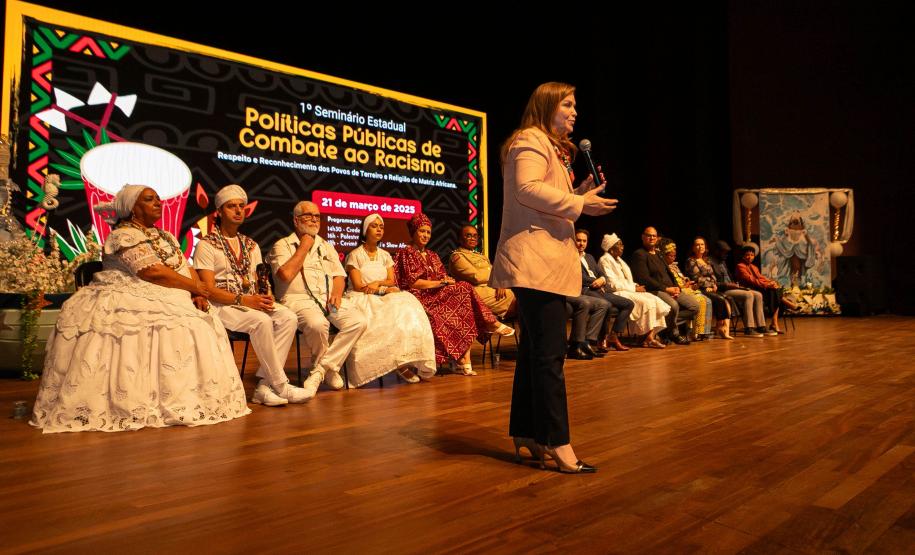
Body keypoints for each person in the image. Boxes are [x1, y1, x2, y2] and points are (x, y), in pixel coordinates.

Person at [31, 185, 250, 433]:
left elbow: (181, 264)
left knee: (197, 321)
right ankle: (135, 401)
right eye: (149, 199)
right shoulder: (123, 235)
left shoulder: (165, 236)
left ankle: (187, 398)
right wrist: (199, 287)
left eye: (158, 198)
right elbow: (151, 271)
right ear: (132, 208)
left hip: (167, 292)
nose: (158, 203)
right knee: (174, 325)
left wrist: (195, 291)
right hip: (127, 293)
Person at [490, 81, 618, 473]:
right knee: (549, 357)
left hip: (542, 264)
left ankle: (527, 433)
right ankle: (559, 444)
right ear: (546, 106)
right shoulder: (530, 139)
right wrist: (580, 202)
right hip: (534, 262)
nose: (575, 112)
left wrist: (579, 190)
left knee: (534, 355)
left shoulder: (554, 151)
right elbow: (527, 190)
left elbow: (542, 197)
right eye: (567, 104)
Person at [193, 184, 309, 406]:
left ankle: (264, 386)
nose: (238, 210)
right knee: (261, 321)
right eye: (231, 206)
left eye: (241, 206)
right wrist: (245, 300)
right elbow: (207, 289)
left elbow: (258, 282)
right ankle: (281, 385)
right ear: (219, 211)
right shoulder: (207, 245)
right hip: (221, 305)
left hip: (249, 302)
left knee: (288, 317)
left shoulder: (251, 245)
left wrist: (266, 296)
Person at [267, 201, 368, 399]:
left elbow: (339, 275)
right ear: (296, 221)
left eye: (317, 216)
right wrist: (304, 246)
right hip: (297, 299)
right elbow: (285, 275)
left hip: (327, 298)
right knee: (317, 324)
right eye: (309, 215)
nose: (315, 219)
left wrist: (337, 292)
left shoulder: (326, 245)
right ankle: (328, 369)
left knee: (358, 321)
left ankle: (321, 370)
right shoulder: (282, 245)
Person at [394, 213, 514, 376]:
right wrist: (440, 283)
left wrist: (445, 281)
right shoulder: (406, 253)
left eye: (428, 232)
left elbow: (444, 277)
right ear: (414, 231)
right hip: (418, 296)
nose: (425, 235)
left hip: (437, 294)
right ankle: (489, 325)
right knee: (465, 288)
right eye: (422, 231)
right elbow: (413, 283)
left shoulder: (432, 255)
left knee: (465, 305)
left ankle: (464, 359)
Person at [344, 213, 436, 386]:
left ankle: (404, 360)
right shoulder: (355, 255)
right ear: (365, 230)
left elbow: (391, 280)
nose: (379, 229)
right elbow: (357, 285)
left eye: (381, 227)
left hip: (381, 293)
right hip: (362, 297)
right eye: (374, 226)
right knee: (381, 316)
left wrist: (379, 284)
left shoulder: (385, 255)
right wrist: (377, 288)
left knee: (407, 306)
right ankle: (396, 364)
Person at [598, 233, 670, 348]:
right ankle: (647, 338)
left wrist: (635, 286)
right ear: (611, 248)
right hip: (615, 293)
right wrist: (634, 288)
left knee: (655, 299)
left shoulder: (620, 261)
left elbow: (627, 280)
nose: (622, 247)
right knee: (647, 302)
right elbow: (612, 284)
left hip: (627, 290)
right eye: (619, 244)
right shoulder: (604, 260)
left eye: (622, 244)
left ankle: (648, 337)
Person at [630, 227, 697, 345]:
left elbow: (669, 272)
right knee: (673, 306)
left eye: (654, 236)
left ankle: (665, 326)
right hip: (654, 290)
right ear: (643, 237)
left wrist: (677, 288)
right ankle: (674, 333)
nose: (651, 238)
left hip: (671, 289)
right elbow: (644, 279)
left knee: (694, 306)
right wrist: (666, 289)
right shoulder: (639, 254)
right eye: (649, 235)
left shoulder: (659, 254)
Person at [575, 229, 633, 351]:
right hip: (586, 289)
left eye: (584, 241)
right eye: (578, 240)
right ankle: (599, 340)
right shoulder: (571, 257)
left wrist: (602, 279)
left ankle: (613, 335)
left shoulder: (589, 257)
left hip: (599, 290)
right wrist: (595, 281)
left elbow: (602, 274)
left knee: (628, 303)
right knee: (607, 305)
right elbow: (577, 276)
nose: (581, 243)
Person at [449, 225, 516, 318]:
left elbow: (495, 272)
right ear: (460, 239)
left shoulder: (481, 256)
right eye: (468, 235)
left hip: (490, 288)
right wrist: (497, 280)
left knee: (519, 294)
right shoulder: (457, 257)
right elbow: (477, 277)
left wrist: (499, 283)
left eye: (475, 236)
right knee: (516, 300)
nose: (473, 238)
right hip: (474, 293)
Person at [708, 240, 766, 337]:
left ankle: (761, 326)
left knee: (758, 295)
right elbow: (712, 283)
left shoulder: (723, 262)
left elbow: (729, 277)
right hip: (722, 290)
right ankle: (749, 328)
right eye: (724, 252)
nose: (726, 254)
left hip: (731, 288)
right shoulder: (710, 263)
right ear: (717, 251)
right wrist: (728, 285)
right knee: (748, 295)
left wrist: (735, 284)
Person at [735, 245, 794, 334]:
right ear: (743, 256)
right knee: (775, 293)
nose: (750, 257)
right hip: (749, 289)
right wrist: (767, 285)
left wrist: (771, 282)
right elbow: (751, 280)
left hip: (758, 288)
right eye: (747, 255)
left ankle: (774, 322)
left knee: (775, 290)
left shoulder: (754, 267)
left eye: (752, 255)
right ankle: (779, 315)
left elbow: (761, 278)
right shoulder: (740, 266)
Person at [662, 241, 713, 340]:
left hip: (685, 288)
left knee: (707, 300)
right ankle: (694, 332)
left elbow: (681, 279)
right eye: (671, 256)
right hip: (678, 290)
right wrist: (684, 286)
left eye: (674, 256)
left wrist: (686, 282)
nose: (673, 258)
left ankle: (702, 332)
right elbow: (674, 284)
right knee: (701, 301)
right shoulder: (665, 267)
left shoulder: (674, 266)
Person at [686, 236, 734, 339]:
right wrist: (710, 285)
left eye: (702, 244)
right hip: (699, 289)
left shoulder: (706, 260)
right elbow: (697, 278)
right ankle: (720, 328)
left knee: (728, 299)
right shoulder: (691, 261)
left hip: (710, 288)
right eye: (697, 245)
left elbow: (713, 276)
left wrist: (714, 285)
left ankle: (725, 328)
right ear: (693, 248)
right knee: (720, 299)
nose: (700, 247)